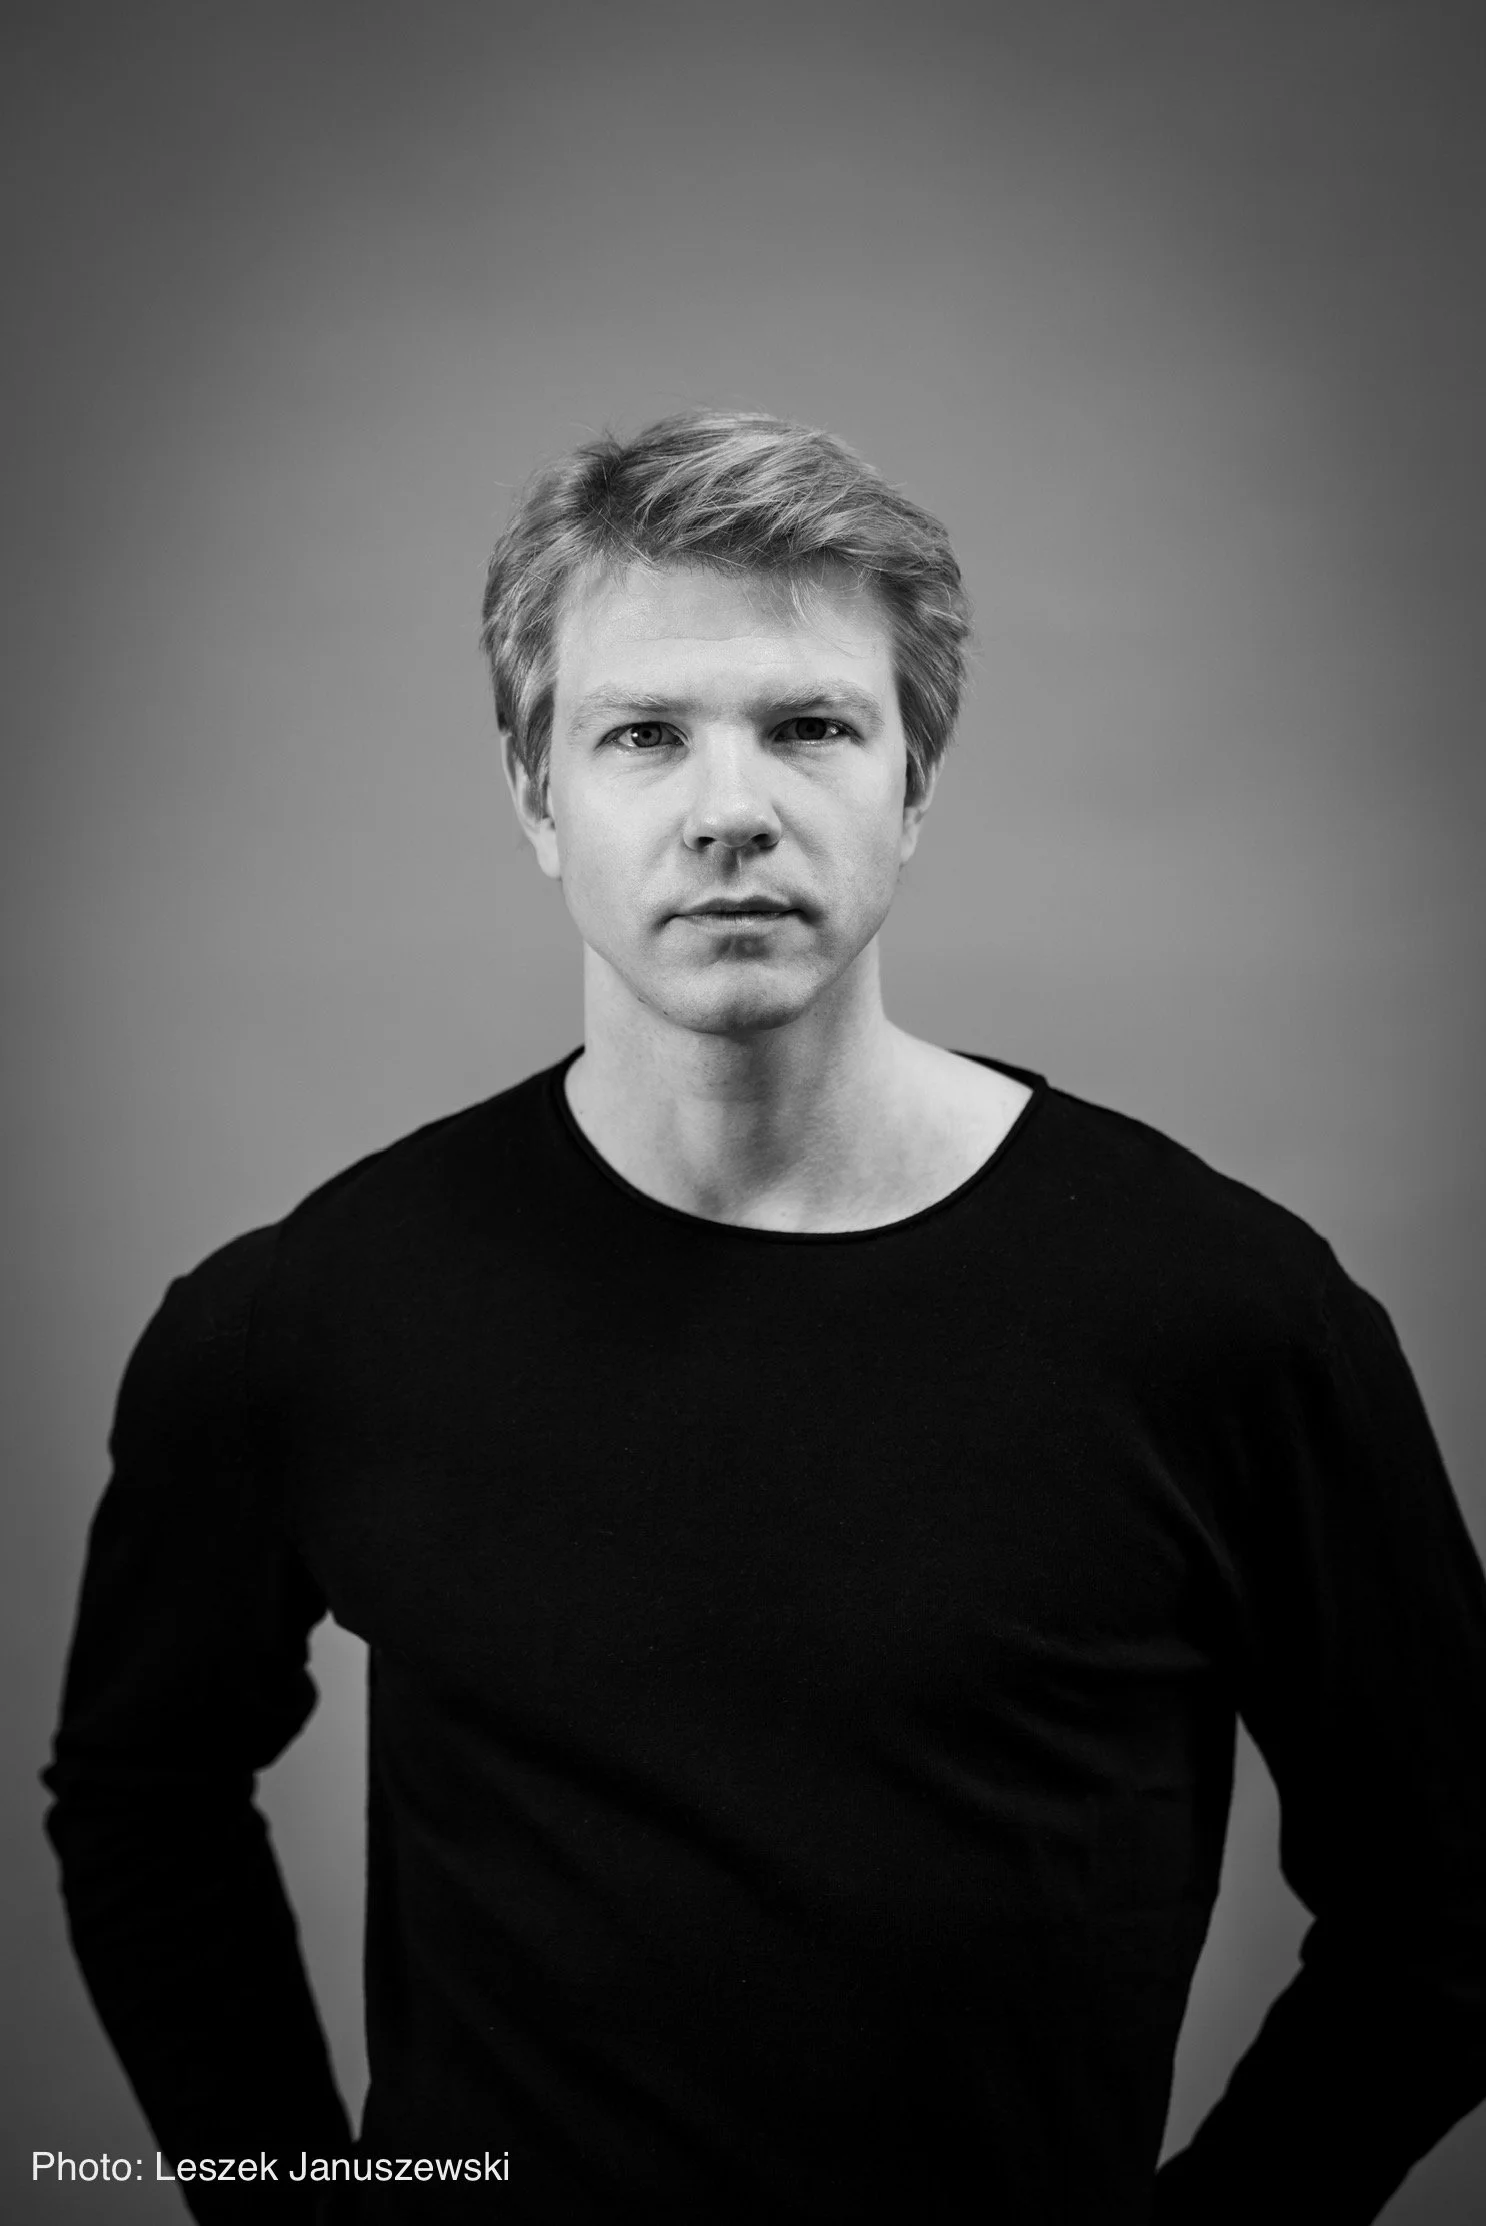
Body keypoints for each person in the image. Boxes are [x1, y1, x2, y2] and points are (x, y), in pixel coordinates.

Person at [43, 409, 1486, 2224]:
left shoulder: (1229, 1317)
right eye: (641, 733)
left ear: (913, 786)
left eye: (811, 726)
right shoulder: (306, 1318)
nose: (732, 807)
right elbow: (140, 1794)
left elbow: (1455, 1905)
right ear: (534, 794)